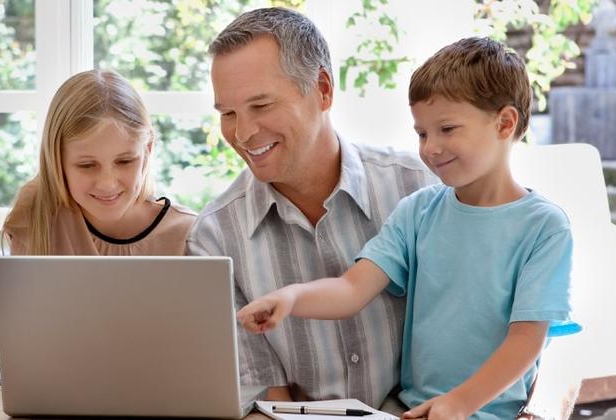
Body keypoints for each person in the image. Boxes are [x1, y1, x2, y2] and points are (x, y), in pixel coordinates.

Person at [236, 37, 575, 420]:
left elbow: (527, 340)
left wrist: (459, 403)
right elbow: (352, 288)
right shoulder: (418, 211)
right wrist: (292, 297)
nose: (430, 148)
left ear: (505, 123)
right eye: (422, 133)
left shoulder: (544, 227)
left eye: (447, 129)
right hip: (408, 409)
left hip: (491, 413)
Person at [190, 7, 436, 408]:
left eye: (261, 105)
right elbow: (265, 402)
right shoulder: (214, 239)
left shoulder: (419, 187)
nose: (243, 133)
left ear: (322, 89)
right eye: (228, 114)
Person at [2, 69, 196, 255]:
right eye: (87, 165)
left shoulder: (186, 234)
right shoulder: (35, 215)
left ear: (148, 150)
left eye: (125, 161)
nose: (107, 184)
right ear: (56, 159)